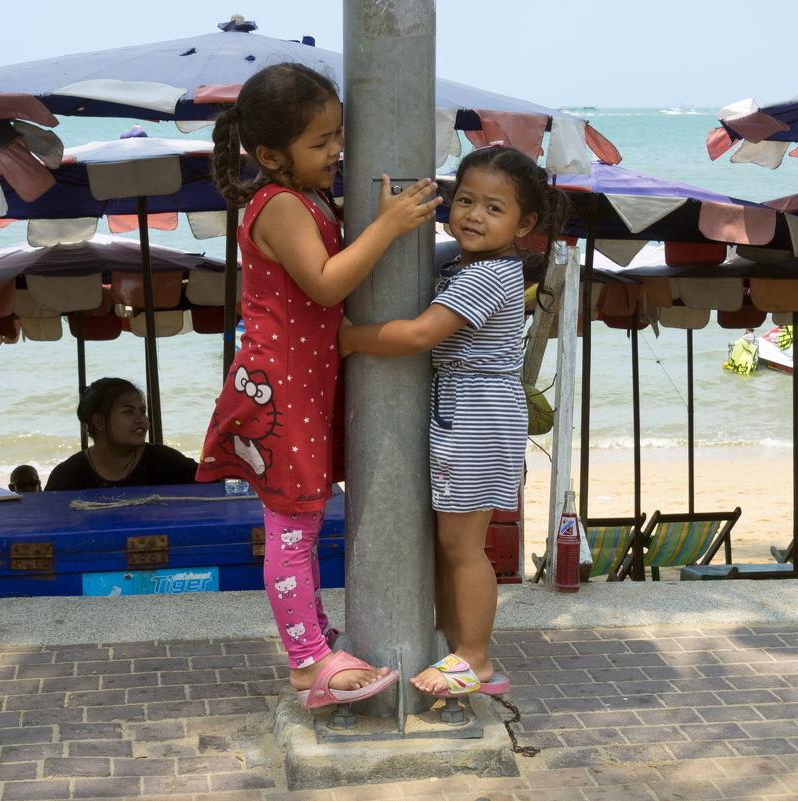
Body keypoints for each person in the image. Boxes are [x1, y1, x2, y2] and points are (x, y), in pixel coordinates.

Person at [196, 62, 441, 709]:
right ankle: (308, 661)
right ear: (272, 154)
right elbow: (327, 283)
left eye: (338, 135)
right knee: (293, 525)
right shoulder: (274, 205)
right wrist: (386, 226)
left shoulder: (301, 198)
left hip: (301, 386)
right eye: (321, 143)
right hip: (278, 390)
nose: (337, 152)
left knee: (302, 518)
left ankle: (315, 641)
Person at [339, 146, 569, 698]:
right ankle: (455, 645)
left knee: (464, 546)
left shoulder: (487, 275)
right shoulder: (472, 267)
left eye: (494, 208)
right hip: (468, 410)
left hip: (478, 417)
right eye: (465, 200)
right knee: (452, 543)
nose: (473, 215)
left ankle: (476, 657)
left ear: (525, 223)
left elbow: (419, 336)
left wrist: (348, 338)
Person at [45, 378, 198, 491]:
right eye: (128, 412)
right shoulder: (68, 476)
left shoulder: (164, 462)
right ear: (99, 422)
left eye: (142, 412)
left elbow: (213, 483)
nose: (142, 420)